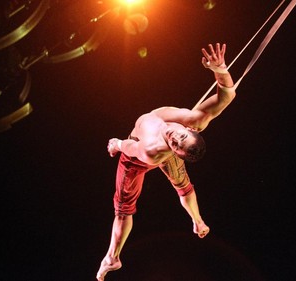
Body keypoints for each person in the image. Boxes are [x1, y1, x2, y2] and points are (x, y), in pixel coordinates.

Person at [96, 43, 236, 281]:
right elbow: (227, 95)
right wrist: (220, 70)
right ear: (190, 130)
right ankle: (199, 223)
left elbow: (131, 148)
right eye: (180, 137)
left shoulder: (153, 150)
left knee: (122, 210)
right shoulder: (194, 119)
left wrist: (117, 144)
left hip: (135, 157)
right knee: (183, 185)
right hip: (153, 151)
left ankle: (112, 257)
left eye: (176, 146)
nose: (174, 138)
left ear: (175, 152)